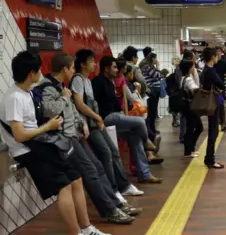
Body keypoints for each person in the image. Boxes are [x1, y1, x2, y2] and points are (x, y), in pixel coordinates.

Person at [0, 51, 110, 235]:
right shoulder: (14, 98)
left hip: (38, 143)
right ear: (30, 74)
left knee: (76, 177)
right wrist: (48, 126)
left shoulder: (25, 93)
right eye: (38, 71)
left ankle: (87, 228)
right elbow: (19, 136)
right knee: (64, 185)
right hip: (26, 149)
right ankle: (77, 232)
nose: (41, 74)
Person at [40, 53, 139, 224]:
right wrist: (65, 97)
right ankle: (109, 210)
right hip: (66, 138)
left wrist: (81, 122)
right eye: (71, 68)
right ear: (65, 69)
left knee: (98, 167)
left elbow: (71, 109)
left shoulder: (61, 86)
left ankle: (115, 204)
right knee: (91, 172)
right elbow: (49, 110)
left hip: (76, 134)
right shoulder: (49, 88)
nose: (73, 71)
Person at [71, 49, 146, 195]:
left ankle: (123, 186)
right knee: (106, 154)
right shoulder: (78, 80)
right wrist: (98, 117)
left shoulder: (87, 81)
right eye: (91, 61)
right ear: (82, 64)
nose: (94, 64)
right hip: (88, 125)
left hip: (94, 122)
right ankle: (114, 190)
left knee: (113, 152)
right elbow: (80, 104)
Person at [91, 56, 162, 183]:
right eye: (114, 67)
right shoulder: (97, 82)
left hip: (114, 116)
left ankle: (144, 174)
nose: (116, 70)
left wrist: (122, 113)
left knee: (136, 137)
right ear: (106, 69)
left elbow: (116, 102)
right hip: (105, 118)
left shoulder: (109, 82)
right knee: (140, 121)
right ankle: (147, 141)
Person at [201, 48, 225, 169]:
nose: (217, 58)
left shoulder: (205, 70)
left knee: (213, 130)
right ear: (212, 57)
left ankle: (209, 158)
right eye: (216, 56)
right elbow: (220, 83)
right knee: (213, 131)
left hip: (210, 102)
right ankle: (210, 160)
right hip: (213, 103)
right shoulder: (210, 70)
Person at [178, 59, 203, 157]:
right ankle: (189, 150)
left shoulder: (183, 78)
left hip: (186, 106)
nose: (194, 68)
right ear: (189, 68)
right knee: (198, 127)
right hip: (189, 107)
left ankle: (189, 150)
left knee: (191, 127)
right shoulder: (188, 79)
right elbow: (194, 89)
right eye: (192, 67)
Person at [175, 50, 199, 143]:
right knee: (189, 120)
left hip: (184, 98)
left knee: (185, 118)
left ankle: (184, 137)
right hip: (187, 99)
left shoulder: (180, 71)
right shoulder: (186, 77)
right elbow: (193, 87)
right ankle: (184, 137)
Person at [214, 47, 226, 131]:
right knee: (213, 106)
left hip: (221, 88)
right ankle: (216, 122)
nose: (218, 53)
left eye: (219, 51)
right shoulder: (212, 62)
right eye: (216, 51)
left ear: (222, 53)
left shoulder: (224, 63)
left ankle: (222, 122)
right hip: (212, 88)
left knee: (221, 105)